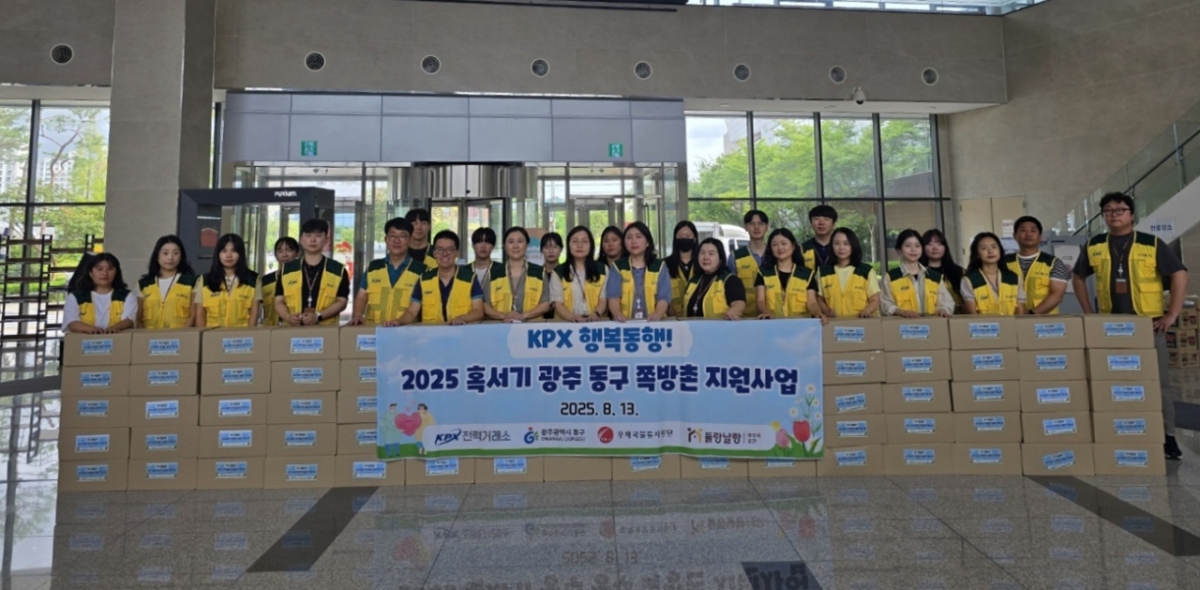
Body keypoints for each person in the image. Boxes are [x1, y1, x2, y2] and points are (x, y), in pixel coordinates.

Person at [1072, 192, 1189, 459]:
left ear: (1132, 215)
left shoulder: (1151, 243)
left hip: (1148, 325)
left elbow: (1180, 275)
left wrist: (1172, 314)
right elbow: (1078, 277)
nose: (1114, 214)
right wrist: (1088, 312)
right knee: (1115, 381)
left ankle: (1167, 436)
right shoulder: (1095, 244)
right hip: (1109, 326)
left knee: (1158, 382)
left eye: (1120, 210)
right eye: (1108, 211)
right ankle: (1123, 430)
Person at [393, 230, 484, 326]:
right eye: (440, 250)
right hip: (430, 334)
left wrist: (461, 318)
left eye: (450, 249)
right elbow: (412, 312)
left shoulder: (470, 278)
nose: (444, 254)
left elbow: (478, 311)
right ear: (434, 253)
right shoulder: (424, 279)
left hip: (461, 333)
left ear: (457, 252)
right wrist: (398, 321)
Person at [274, 218, 351, 326]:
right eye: (308, 235)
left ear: (326, 239)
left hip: (326, 330)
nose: (313, 240)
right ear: (301, 240)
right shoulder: (287, 269)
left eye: (318, 236)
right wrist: (288, 317)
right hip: (292, 330)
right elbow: (278, 301)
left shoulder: (338, 270)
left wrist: (318, 316)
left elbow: (342, 302)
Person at [349, 218, 425, 326]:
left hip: (406, 331)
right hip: (374, 330)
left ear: (410, 240)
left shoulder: (421, 270)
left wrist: (399, 321)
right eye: (392, 236)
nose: (397, 241)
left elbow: (417, 305)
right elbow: (361, 296)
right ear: (386, 239)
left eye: (402, 236)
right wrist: (358, 315)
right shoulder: (373, 267)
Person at [483, 227, 551, 323]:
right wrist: (503, 316)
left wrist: (523, 316)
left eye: (520, 241)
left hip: (531, 328)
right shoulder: (493, 272)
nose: (515, 246)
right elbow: (485, 305)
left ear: (526, 245)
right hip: (500, 328)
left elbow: (545, 304)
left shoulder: (539, 272)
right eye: (511, 242)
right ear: (505, 246)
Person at [882, 230, 955, 318]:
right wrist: (901, 312)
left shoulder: (935, 277)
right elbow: (885, 304)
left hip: (932, 324)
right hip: (903, 325)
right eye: (908, 246)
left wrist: (943, 309)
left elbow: (947, 302)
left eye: (917, 246)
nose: (913, 250)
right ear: (899, 250)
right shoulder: (891, 277)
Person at [1005, 216, 1070, 315]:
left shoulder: (1053, 263)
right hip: (1010, 319)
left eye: (1033, 231)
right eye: (1023, 230)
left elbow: (1057, 296)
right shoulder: (1004, 262)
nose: (1028, 234)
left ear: (1040, 237)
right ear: (1014, 235)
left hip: (1044, 322)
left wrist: (1031, 314)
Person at [608, 222, 672, 322]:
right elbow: (613, 297)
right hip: (625, 323)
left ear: (647, 242)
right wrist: (617, 314)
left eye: (638, 237)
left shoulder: (659, 266)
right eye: (629, 237)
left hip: (654, 324)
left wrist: (658, 314)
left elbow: (664, 297)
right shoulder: (617, 267)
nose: (633, 241)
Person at [755, 228, 822, 321]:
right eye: (775, 244)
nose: (780, 248)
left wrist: (818, 314)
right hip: (772, 324)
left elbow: (812, 303)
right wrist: (766, 313)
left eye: (783, 243)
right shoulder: (763, 273)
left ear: (793, 246)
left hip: (800, 325)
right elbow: (760, 301)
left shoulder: (807, 274)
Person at [196, 234, 261, 328]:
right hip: (212, 334)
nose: (229, 255)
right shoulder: (204, 280)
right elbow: (200, 313)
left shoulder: (253, 279)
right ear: (218, 254)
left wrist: (250, 334)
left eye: (234, 251)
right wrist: (202, 335)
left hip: (241, 335)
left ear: (241, 254)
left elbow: (254, 312)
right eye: (224, 251)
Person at [64, 253, 138, 334]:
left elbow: (129, 320)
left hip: (117, 339)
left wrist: (113, 328)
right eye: (99, 269)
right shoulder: (75, 297)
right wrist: (91, 330)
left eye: (110, 269)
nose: (104, 273)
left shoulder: (127, 296)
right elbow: (72, 322)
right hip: (84, 340)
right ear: (90, 272)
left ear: (116, 272)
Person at [816, 228, 880, 318]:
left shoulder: (866, 271)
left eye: (846, 243)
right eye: (836, 243)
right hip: (834, 323)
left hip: (862, 323)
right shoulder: (823, 272)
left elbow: (875, 299)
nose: (841, 248)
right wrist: (826, 311)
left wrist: (867, 311)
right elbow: (819, 299)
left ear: (853, 245)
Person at [138, 235, 198, 329]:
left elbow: (193, 316)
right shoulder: (143, 284)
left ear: (181, 257)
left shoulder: (192, 282)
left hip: (180, 336)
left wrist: (182, 335)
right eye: (165, 253)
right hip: (149, 336)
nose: (170, 257)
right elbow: (137, 319)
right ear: (157, 256)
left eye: (175, 253)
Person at [551, 227, 609, 322]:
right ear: (568, 245)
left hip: (596, 323)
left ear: (591, 245)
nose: (579, 245)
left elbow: (604, 299)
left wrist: (595, 314)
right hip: (566, 324)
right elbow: (558, 303)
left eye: (584, 242)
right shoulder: (558, 272)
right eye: (575, 241)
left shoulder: (602, 269)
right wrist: (572, 317)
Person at [961, 232, 1025, 316]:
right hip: (984, 325)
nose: (990, 251)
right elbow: (972, 314)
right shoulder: (969, 280)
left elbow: (1021, 313)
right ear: (977, 254)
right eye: (984, 248)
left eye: (994, 247)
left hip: (1011, 324)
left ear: (1000, 250)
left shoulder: (1014, 279)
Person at [685, 239, 746, 320]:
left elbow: (739, 304)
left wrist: (733, 312)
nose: (705, 257)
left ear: (720, 258)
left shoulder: (730, 280)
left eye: (711, 254)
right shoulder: (693, 280)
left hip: (720, 327)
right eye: (702, 253)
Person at [729, 210, 769, 317]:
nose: (756, 227)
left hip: (772, 316)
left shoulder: (776, 254)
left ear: (767, 227)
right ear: (745, 227)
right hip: (744, 317)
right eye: (752, 224)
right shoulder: (735, 257)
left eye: (760, 224)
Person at [920, 229, 964, 312]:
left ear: (945, 247)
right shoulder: (918, 273)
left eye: (939, 244)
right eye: (930, 244)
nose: (935, 248)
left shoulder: (960, 272)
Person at [260, 237, 298, 326]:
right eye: (280, 251)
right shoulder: (265, 281)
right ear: (276, 255)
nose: (284, 255)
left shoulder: (301, 278)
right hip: (270, 328)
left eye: (289, 250)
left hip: (294, 327)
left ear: (297, 253)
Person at [664, 221, 698, 317]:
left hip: (699, 319)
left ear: (695, 238)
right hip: (672, 319)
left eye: (688, 236)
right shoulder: (665, 264)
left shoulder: (703, 264)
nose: (684, 239)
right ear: (675, 238)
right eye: (681, 236)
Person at [470, 227, 503, 295]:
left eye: (487, 242)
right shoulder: (464, 271)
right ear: (473, 245)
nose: (483, 246)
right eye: (479, 241)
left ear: (493, 246)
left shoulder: (502, 270)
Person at [803, 205, 837, 270]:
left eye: (826, 219)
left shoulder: (841, 248)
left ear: (833, 224)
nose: (821, 223)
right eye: (816, 219)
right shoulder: (802, 249)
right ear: (811, 223)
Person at [539, 232, 563, 320]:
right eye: (546, 247)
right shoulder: (537, 273)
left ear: (561, 249)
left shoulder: (566, 272)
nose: (551, 251)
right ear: (541, 250)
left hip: (562, 318)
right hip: (539, 319)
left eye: (555, 247)